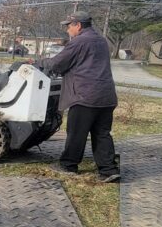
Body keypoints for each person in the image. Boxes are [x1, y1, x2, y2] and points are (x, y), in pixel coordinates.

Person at [28, 11, 120, 182]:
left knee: (76, 133)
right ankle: (109, 170)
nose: (67, 30)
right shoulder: (101, 40)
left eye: (69, 26)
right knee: (102, 133)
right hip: (106, 96)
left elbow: (57, 64)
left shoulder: (79, 42)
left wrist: (38, 62)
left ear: (78, 25)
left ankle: (68, 165)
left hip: (85, 95)